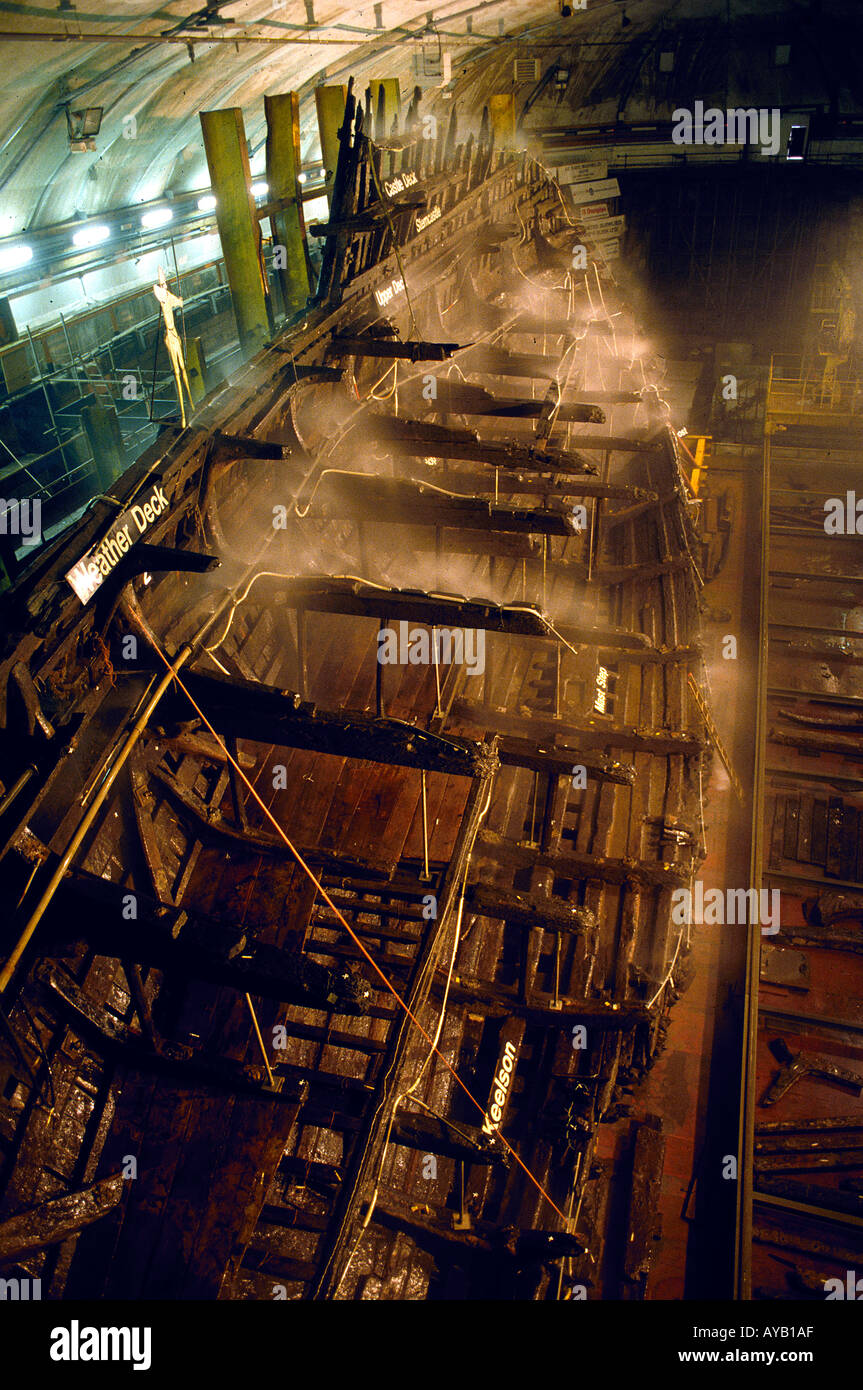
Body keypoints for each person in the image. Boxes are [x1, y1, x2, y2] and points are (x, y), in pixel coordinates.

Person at [153, 265, 193, 427]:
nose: (164, 287)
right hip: (169, 335)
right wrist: (161, 281)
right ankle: (184, 414)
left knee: (183, 368)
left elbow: (179, 303)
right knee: (176, 372)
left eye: (165, 284)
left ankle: (191, 402)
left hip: (175, 334)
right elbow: (157, 291)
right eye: (162, 285)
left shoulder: (168, 296)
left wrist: (180, 300)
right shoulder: (163, 297)